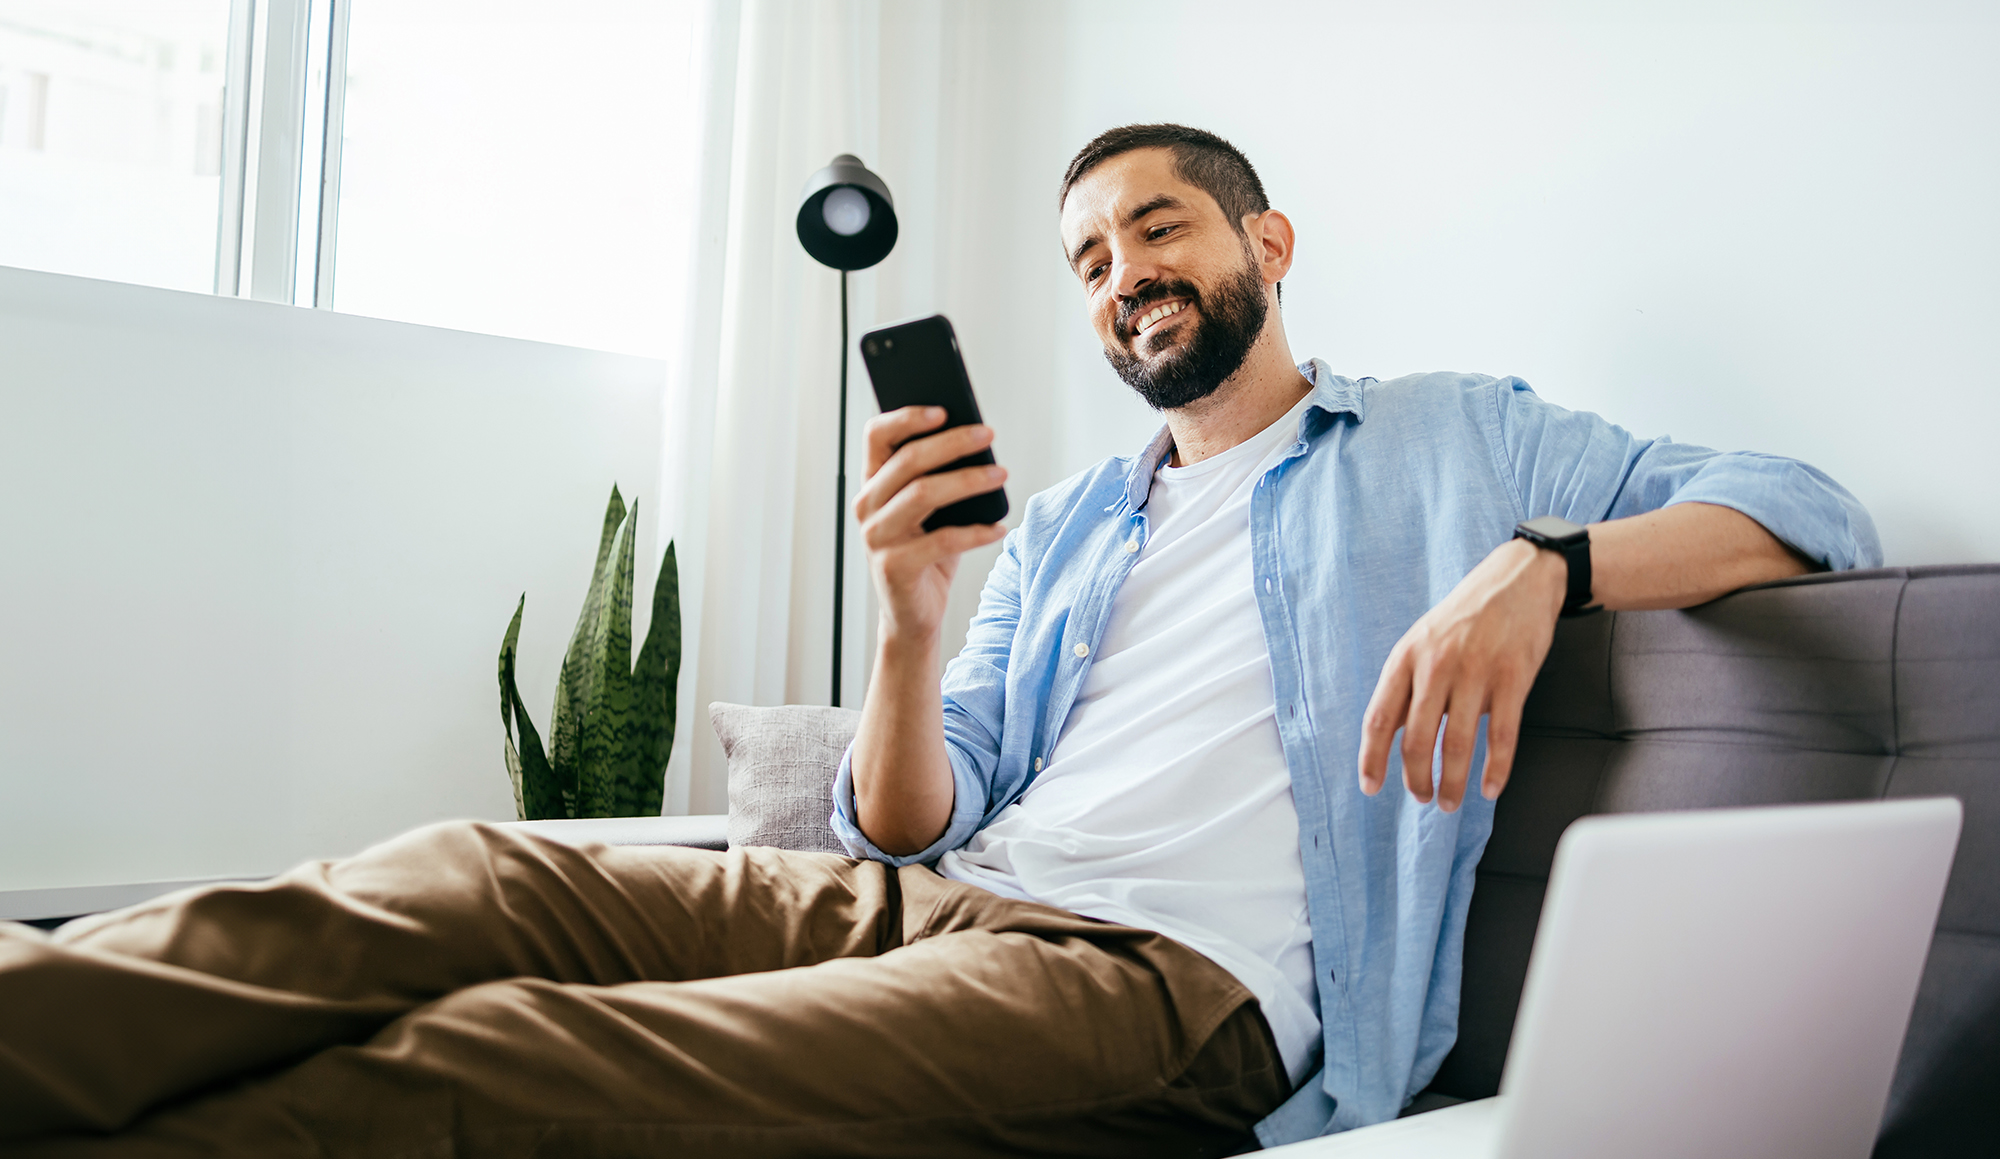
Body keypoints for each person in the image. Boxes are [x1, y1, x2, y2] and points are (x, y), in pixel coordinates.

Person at [0, 124, 1878, 1157]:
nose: (1125, 277)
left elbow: (1805, 505)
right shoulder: (1072, 523)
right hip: (936, 896)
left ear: (1265, 242)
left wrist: (1537, 562)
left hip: (1165, 985)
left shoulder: (1465, 439)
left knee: (504, 1064)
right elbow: (911, 819)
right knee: (456, 880)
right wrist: (912, 627)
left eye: (1159, 232)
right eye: (1088, 260)